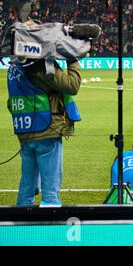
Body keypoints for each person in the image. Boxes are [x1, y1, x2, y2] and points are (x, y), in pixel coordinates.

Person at [7, 23, 82, 207]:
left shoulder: (14, 66)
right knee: (50, 192)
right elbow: (72, 85)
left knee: (27, 188)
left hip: (25, 132)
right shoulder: (40, 65)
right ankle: (50, 231)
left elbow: (11, 103)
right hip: (46, 129)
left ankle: (20, 230)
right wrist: (72, 58)